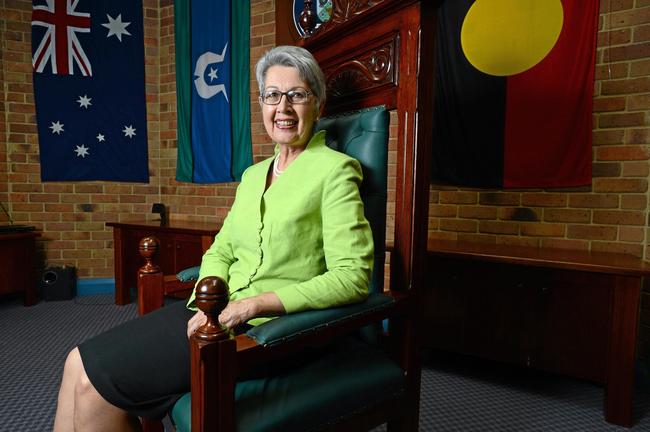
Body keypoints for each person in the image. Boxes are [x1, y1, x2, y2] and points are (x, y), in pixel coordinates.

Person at [53, 45, 374, 431]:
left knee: (94, 388)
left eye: (297, 95)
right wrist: (213, 292)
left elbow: (352, 277)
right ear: (261, 104)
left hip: (271, 330)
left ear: (318, 105)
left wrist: (252, 305)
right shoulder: (254, 174)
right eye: (272, 95)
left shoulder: (336, 171)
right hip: (212, 313)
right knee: (75, 362)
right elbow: (221, 248)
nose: (283, 107)